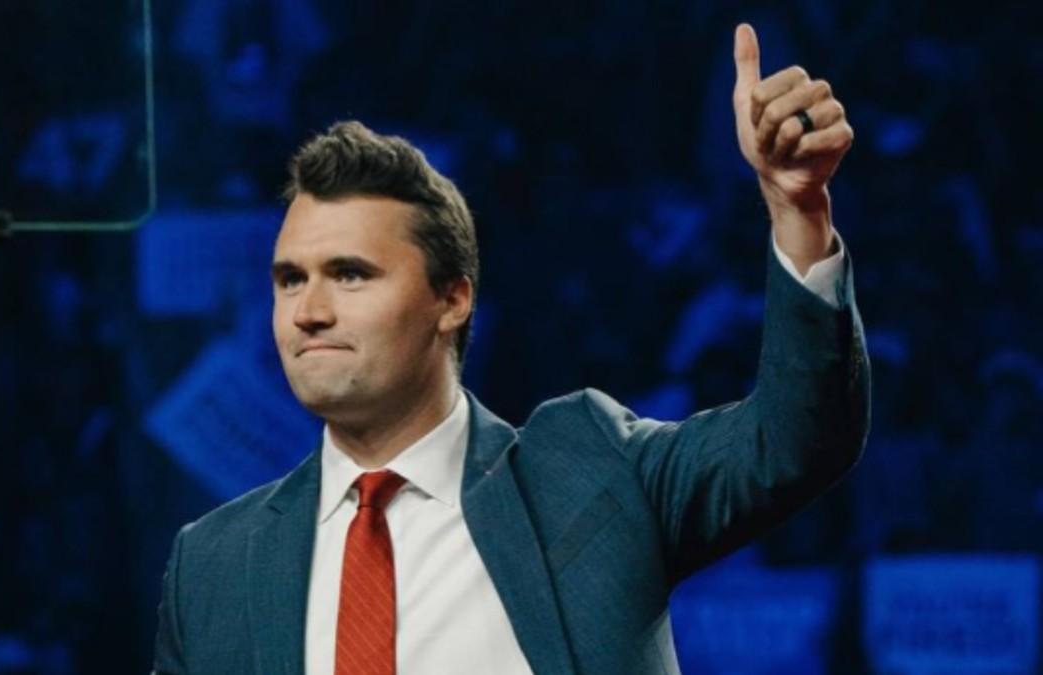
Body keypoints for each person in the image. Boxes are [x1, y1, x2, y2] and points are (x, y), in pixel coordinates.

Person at [153, 23, 869, 675]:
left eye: (350, 274)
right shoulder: (212, 565)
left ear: (452, 300)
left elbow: (796, 439)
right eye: (290, 279)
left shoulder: (594, 477)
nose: (308, 312)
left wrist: (796, 209)